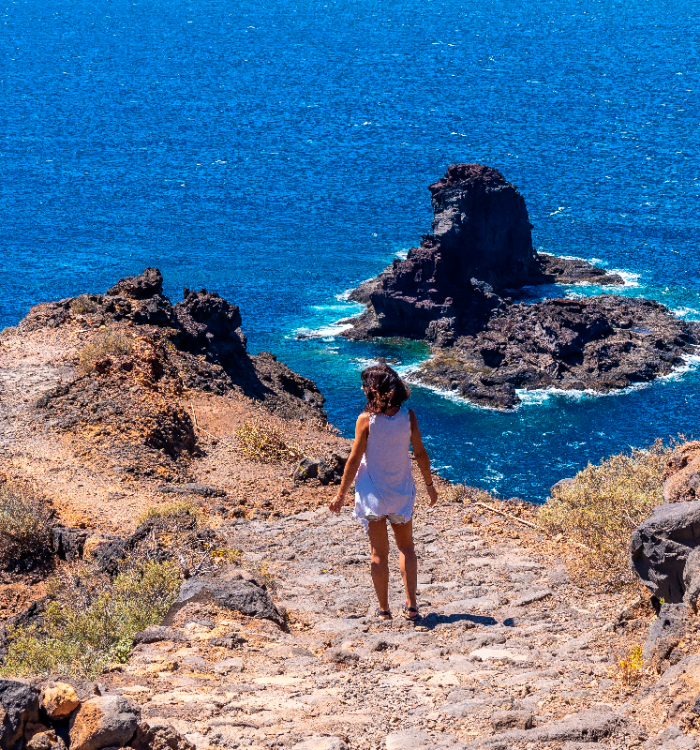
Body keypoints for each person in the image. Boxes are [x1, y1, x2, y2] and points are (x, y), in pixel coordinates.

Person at [329, 364, 438, 621]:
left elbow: (354, 459)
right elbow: (420, 453)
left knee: (379, 553)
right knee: (406, 548)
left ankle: (384, 611)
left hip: (373, 497)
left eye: (364, 385)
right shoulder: (408, 416)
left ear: (374, 390)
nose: (362, 389)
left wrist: (341, 495)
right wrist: (429, 486)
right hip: (400, 494)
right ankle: (412, 607)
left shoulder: (365, 420)